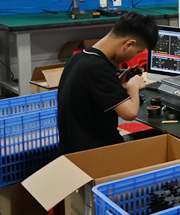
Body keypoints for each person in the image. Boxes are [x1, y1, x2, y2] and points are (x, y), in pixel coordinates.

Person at [57, 11, 158, 154]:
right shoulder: (98, 68)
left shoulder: (80, 58)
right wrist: (133, 86)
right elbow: (129, 114)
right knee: (162, 138)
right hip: (95, 155)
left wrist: (118, 85)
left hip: (73, 149)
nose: (135, 56)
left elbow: (93, 95)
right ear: (129, 44)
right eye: (138, 51)